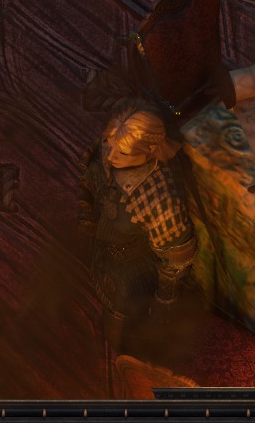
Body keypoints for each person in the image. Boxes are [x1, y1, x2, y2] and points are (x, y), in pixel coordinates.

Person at [76, 104, 197, 355]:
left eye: (122, 153)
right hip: (103, 248)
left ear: (150, 151)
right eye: (111, 146)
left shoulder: (160, 197)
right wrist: (86, 212)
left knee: (121, 320)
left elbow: (174, 259)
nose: (111, 157)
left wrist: (165, 300)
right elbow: (89, 177)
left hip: (132, 269)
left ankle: (120, 356)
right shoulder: (112, 147)